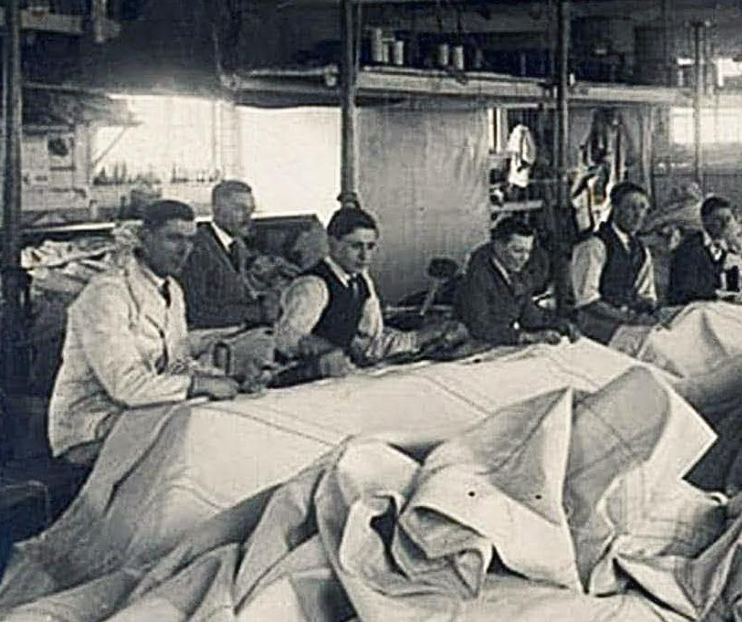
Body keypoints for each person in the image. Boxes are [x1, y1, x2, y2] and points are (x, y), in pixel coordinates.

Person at [49, 200, 243, 464]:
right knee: (198, 440)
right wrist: (199, 385)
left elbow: (175, 364)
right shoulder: (107, 294)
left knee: (224, 423)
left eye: (190, 240)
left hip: (142, 412)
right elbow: (126, 386)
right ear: (145, 238)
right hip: (90, 426)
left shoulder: (172, 290)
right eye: (173, 238)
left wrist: (225, 378)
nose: (184, 250)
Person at [273, 206, 457, 384]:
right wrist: (325, 351)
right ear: (332, 243)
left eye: (370, 247)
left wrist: (425, 336)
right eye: (356, 246)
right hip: (297, 386)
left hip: (336, 382)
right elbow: (286, 338)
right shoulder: (313, 285)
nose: (364, 256)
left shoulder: (361, 282)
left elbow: (370, 344)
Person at [178, 179, 278, 329]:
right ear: (217, 210)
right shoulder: (197, 249)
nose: (248, 218)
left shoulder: (238, 246)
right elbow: (196, 312)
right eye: (240, 209)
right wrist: (259, 312)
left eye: (250, 210)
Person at [453, 216, 569, 344]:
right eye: (518, 251)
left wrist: (560, 324)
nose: (524, 258)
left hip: (501, 342)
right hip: (471, 346)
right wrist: (527, 337)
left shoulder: (517, 273)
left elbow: (529, 315)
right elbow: (479, 328)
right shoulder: (477, 276)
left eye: (528, 252)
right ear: (498, 245)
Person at [569, 181, 660, 343]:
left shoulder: (640, 250)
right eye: (631, 207)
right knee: (645, 344)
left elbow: (646, 292)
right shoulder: (594, 246)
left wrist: (647, 308)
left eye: (643, 208)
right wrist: (629, 318)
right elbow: (587, 301)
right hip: (594, 323)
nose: (638, 215)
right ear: (616, 209)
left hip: (628, 318)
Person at [667, 195, 742, 305]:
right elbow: (686, 291)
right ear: (705, 221)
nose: (724, 225)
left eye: (728, 219)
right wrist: (719, 295)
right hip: (689, 307)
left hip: (710, 303)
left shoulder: (722, 247)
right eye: (718, 219)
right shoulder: (691, 249)